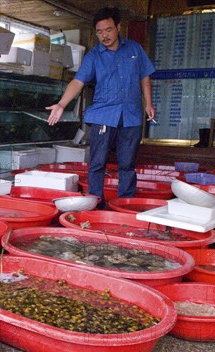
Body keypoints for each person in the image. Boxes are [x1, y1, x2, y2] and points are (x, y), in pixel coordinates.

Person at [46, 6, 155, 207]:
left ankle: (125, 203)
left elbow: (144, 77)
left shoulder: (134, 49)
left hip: (131, 116)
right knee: (97, 164)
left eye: (108, 29)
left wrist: (148, 103)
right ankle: (95, 204)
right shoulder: (94, 56)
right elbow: (78, 81)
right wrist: (62, 104)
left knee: (127, 164)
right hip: (103, 117)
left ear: (118, 27)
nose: (104, 35)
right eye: (99, 31)